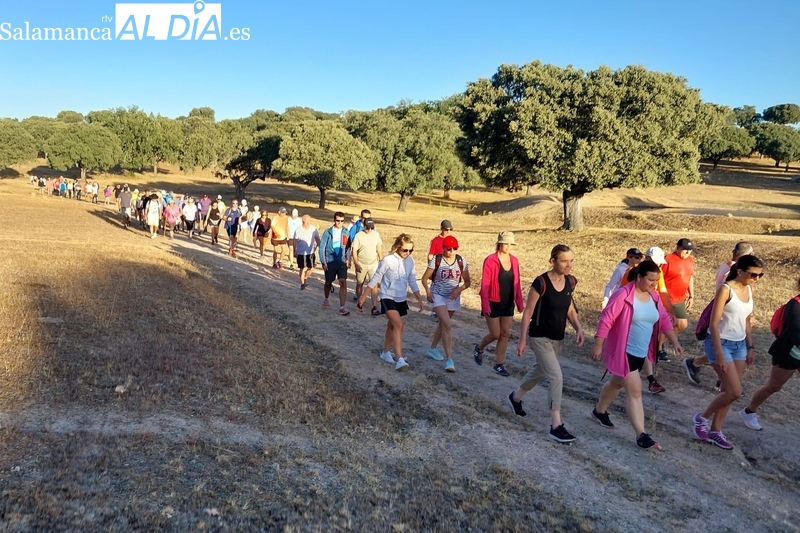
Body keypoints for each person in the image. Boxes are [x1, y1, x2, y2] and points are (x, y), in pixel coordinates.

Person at [590, 260, 685, 449]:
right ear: (639, 277)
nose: (654, 284)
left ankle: (599, 411)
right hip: (623, 350)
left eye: (656, 280)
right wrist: (598, 345)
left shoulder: (655, 297)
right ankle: (641, 435)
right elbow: (606, 320)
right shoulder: (623, 295)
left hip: (641, 352)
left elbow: (664, 320)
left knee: (616, 383)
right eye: (650, 280)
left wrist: (675, 342)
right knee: (635, 391)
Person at [509, 244, 585, 444]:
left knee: (541, 370)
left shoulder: (571, 281)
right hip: (539, 336)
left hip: (557, 337)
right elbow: (528, 312)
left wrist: (578, 328)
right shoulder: (541, 282)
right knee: (555, 375)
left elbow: (569, 308)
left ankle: (515, 397)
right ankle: (556, 425)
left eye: (571, 260)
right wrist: (523, 339)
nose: (568, 265)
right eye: (564, 260)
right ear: (553, 261)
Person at [692, 255, 762, 450]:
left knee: (728, 392)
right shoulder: (725, 289)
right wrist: (720, 355)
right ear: (740, 271)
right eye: (753, 275)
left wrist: (750, 347)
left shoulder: (748, 288)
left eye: (760, 275)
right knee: (735, 392)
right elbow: (713, 325)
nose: (756, 279)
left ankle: (715, 431)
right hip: (720, 343)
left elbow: (747, 321)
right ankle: (701, 418)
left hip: (739, 344)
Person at [684, 241, 755, 385]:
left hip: (729, 316)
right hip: (727, 317)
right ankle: (722, 382)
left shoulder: (726, 266)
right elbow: (729, 294)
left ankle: (697, 365)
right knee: (723, 349)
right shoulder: (732, 273)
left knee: (726, 351)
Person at [740, 278, 800, 431]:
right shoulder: (795, 304)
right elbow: (795, 332)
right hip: (788, 353)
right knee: (774, 386)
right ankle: (749, 411)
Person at [359, 233, 425, 370]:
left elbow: (412, 280)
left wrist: (419, 297)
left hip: (401, 298)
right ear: (397, 247)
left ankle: (385, 352)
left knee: (392, 326)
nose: (407, 253)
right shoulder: (388, 260)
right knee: (399, 325)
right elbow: (376, 278)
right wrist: (364, 296)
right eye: (405, 250)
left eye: (410, 250)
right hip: (387, 297)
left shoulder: (410, 261)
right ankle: (399, 359)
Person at [475, 232, 525, 376]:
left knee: (504, 334)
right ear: (500, 243)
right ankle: (479, 348)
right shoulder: (490, 260)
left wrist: (520, 303)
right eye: (506, 243)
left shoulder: (514, 261)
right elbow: (485, 284)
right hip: (492, 301)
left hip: (508, 302)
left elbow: (517, 282)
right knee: (495, 334)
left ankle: (499, 364)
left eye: (511, 244)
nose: (508, 247)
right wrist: (485, 306)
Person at [421, 235, 471, 372]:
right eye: (449, 249)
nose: (452, 251)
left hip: (452, 297)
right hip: (437, 295)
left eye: (454, 248)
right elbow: (424, 278)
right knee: (447, 325)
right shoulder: (436, 260)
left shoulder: (461, 261)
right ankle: (450, 359)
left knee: (443, 324)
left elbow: (467, 282)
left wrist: (459, 290)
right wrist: (428, 291)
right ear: (443, 248)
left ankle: (432, 349)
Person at [659, 238, 696, 362]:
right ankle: (658, 349)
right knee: (665, 325)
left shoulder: (690, 260)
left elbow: (690, 276)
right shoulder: (667, 259)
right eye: (685, 251)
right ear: (678, 248)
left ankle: (657, 343)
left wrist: (691, 295)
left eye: (690, 251)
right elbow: (659, 278)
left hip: (680, 299)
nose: (687, 254)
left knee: (681, 324)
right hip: (666, 298)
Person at [319, 212, 351, 315]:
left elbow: (348, 247)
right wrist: (324, 262)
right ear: (334, 220)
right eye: (338, 220)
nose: (340, 223)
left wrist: (348, 258)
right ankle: (326, 299)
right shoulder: (328, 232)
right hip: (330, 261)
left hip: (341, 261)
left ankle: (342, 306)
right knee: (328, 282)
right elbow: (322, 248)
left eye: (342, 221)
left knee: (343, 282)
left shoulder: (346, 232)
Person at [351, 218, 383, 314]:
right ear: (364, 226)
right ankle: (360, 302)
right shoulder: (358, 236)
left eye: (371, 228)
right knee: (360, 283)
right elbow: (354, 251)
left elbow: (379, 248)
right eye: (367, 228)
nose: (369, 230)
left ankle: (374, 307)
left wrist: (381, 259)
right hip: (361, 264)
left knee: (374, 284)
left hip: (373, 264)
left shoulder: (376, 234)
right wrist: (356, 263)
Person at [293, 215, 320, 290]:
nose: (307, 224)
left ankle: (305, 277)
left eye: (309, 222)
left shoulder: (313, 229)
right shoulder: (298, 230)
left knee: (310, 268)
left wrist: (320, 247)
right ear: (302, 222)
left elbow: (317, 239)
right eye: (306, 222)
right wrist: (294, 250)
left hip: (310, 252)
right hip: (301, 253)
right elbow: (294, 241)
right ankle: (302, 284)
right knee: (302, 268)